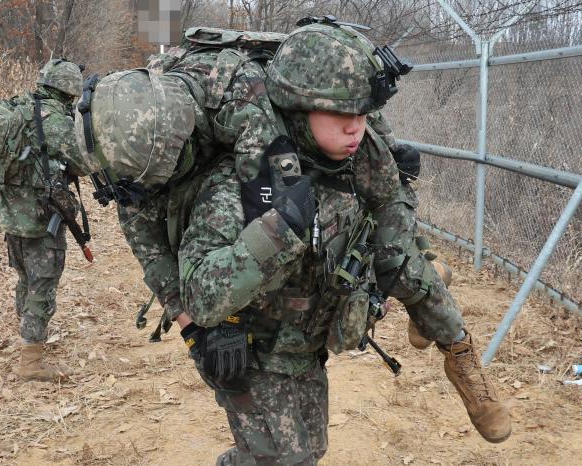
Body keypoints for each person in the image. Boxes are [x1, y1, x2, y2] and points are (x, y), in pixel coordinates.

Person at [177, 21, 511, 465]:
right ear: (300, 107)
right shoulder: (240, 184)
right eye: (342, 117)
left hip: (307, 348)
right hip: (253, 351)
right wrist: (275, 233)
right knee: (287, 461)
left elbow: (392, 236)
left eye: (363, 116)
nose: (357, 129)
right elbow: (198, 292)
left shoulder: (359, 163)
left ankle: (458, 350)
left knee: (309, 450)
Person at [0, 59, 84, 382]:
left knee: (26, 279)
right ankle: (31, 361)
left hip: (10, 213)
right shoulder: (54, 120)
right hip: (40, 216)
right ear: (69, 90)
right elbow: (81, 161)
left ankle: (30, 341)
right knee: (43, 283)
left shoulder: (20, 109)